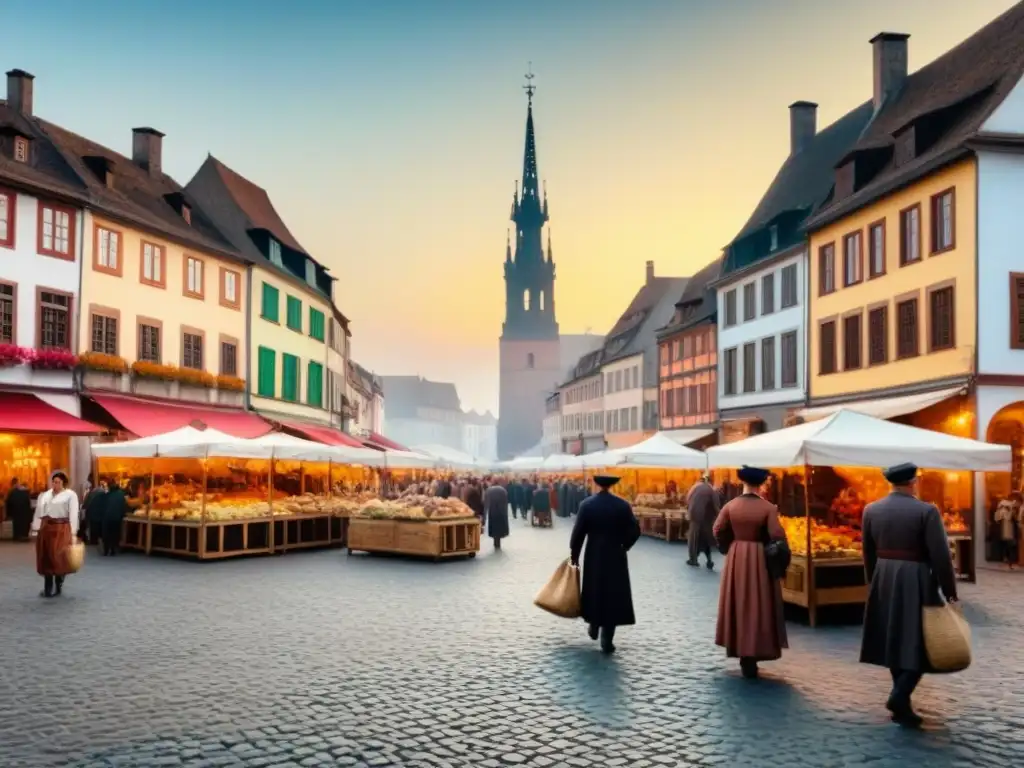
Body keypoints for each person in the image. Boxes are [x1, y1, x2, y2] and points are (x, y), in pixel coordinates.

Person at [859, 462, 958, 728]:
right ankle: (899, 695)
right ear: (913, 482)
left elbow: (867, 551)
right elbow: (940, 555)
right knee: (922, 640)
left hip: (884, 576)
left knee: (894, 639)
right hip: (915, 578)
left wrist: (873, 582)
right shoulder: (926, 511)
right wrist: (949, 591)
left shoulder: (871, 510)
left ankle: (901, 704)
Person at [712, 465, 788, 679]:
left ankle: (739, 648)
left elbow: (717, 529)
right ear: (761, 484)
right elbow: (777, 535)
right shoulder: (768, 508)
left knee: (737, 601)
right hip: (759, 556)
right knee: (758, 602)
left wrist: (728, 545)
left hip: (737, 556)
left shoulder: (731, 505)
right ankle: (753, 651)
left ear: (742, 483)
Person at [570, 474, 641, 654]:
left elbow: (578, 533)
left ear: (597, 485)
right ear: (613, 486)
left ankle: (594, 624)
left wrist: (574, 555)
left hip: (594, 554)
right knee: (613, 595)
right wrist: (625, 545)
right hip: (615, 554)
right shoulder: (622, 505)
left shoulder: (587, 505)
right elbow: (634, 530)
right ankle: (607, 639)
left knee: (595, 590)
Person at [30, 471, 79, 598]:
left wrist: (73, 532)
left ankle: (58, 584)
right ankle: (47, 588)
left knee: (58, 558)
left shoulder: (70, 495)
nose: (55, 484)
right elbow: (39, 512)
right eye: (53, 482)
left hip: (61, 528)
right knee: (45, 557)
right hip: (46, 528)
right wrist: (36, 528)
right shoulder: (44, 495)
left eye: (58, 482)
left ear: (63, 483)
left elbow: (73, 514)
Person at [686, 474, 720, 570]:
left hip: (693, 517)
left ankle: (693, 560)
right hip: (705, 519)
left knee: (694, 539)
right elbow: (716, 505)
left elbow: (688, 500)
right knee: (706, 539)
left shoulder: (694, 487)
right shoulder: (711, 490)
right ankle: (709, 560)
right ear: (710, 482)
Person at [101, 478, 128, 556]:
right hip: (116, 517)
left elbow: (104, 506)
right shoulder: (121, 494)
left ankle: (106, 550)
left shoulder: (107, 494)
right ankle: (113, 549)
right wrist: (123, 514)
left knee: (106, 533)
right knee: (115, 533)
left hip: (107, 517)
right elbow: (123, 506)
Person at [483, 480, 509, 550]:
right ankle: (498, 543)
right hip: (501, 512)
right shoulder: (503, 490)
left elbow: (486, 504)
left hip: (493, 512)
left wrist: (484, 518)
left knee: (494, 529)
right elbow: (506, 503)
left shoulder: (489, 490)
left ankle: (496, 542)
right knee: (499, 529)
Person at [83, 478, 108, 546]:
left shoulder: (91, 492)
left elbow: (85, 504)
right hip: (100, 514)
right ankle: (98, 541)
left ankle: (93, 542)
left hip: (92, 514)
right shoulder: (104, 492)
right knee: (99, 529)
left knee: (93, 530)